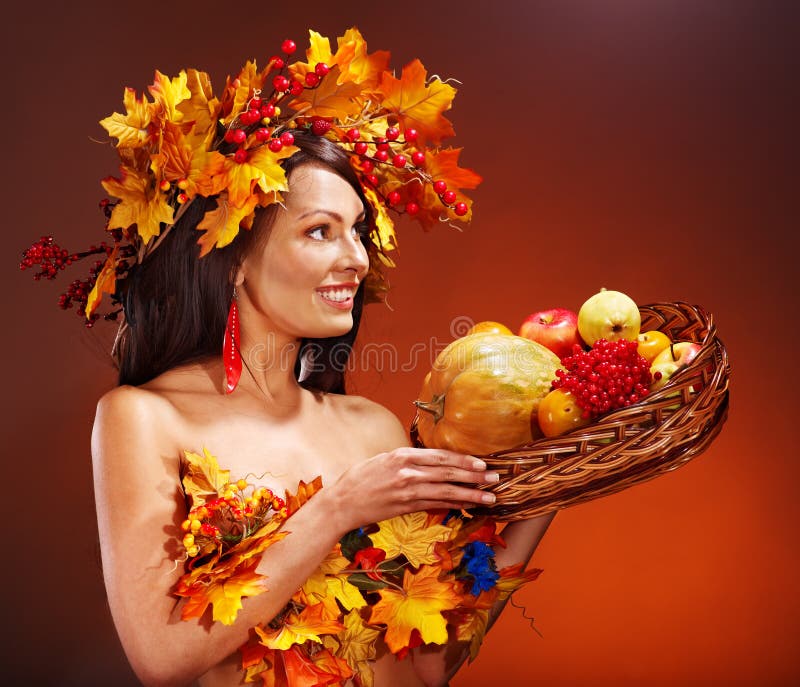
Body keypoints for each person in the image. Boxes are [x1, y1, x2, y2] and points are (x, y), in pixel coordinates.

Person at [25, 30, 556, 687]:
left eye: (358, 231)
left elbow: (424, 665)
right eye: (320, 231)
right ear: (235, 256)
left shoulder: (372, 430)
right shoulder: (142, 418)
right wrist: (338, 508)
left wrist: (553, 480)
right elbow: (160, 655)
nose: (357, 258)